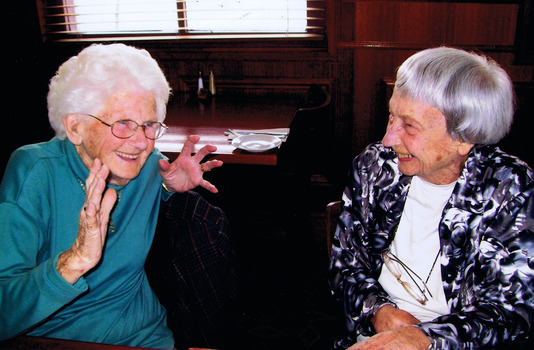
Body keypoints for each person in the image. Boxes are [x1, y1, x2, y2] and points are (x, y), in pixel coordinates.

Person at [0, 43, 222, 349]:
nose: (139, 142)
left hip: (146, 336)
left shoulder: (147, 164)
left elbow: (145, 190)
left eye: (148, 125)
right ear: (75, 126)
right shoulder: (33, 171)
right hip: (54, 339)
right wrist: (74, 260)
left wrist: (168, 188)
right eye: (122, 124)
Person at [329, 47, 533, 349]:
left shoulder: (511, 189)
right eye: (391, 116)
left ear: (464, 138)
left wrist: (424, 338)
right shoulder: (375, 165)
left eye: (409, 126)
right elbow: (345, 265)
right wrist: (379, 312)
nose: (389, 139)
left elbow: (512, 311)